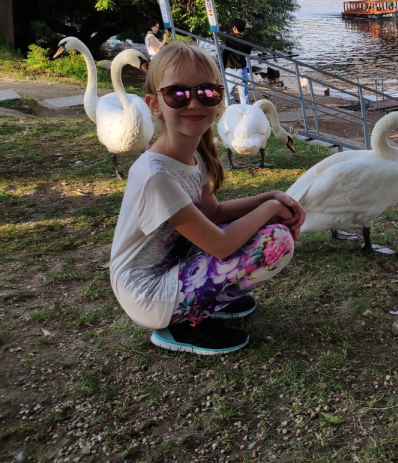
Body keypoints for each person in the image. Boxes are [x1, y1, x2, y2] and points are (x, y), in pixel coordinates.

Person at [109, 42, 305, 355]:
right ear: (154, 105)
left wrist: (270, 196)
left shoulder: (191, 156)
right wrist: (270, 209)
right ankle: (182, 323)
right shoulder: (157, 175)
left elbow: (213, 214)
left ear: (218, 101)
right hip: (148, 296)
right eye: (178, 94)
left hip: (170, 273)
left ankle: (204, 299)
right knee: (275, 241)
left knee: (269, 235)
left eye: (207, 92)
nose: (194, 102)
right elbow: (220, 244)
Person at [221, 18, 252, 104]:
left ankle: (229, 114)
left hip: (229, 70)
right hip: (241, 70)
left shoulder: (228, 39)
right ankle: (245, 115)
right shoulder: (247, 43)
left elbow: (222, 51)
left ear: (234, 28)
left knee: (229, 96)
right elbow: (248, 53)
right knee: (244, 97)